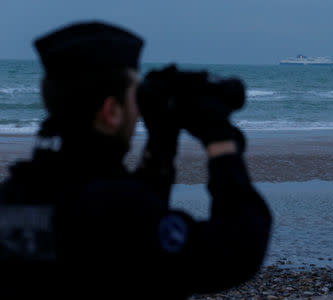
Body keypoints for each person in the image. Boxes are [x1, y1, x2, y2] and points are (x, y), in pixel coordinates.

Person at [0, 21, 271, 298]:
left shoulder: (13, 197)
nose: (139, 111)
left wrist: (161, 143)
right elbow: (239, 248)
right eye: (134, 96)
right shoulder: (121, 212)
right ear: (111, 111)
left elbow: (135, 234)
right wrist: (221, 143)